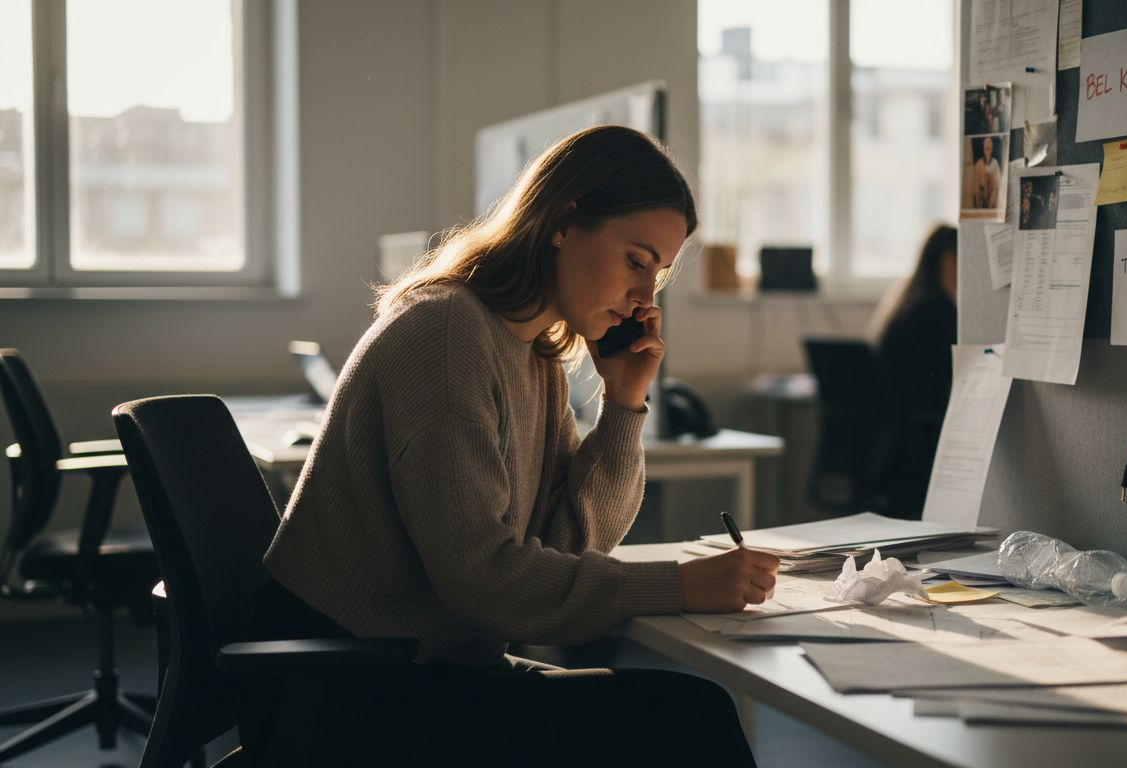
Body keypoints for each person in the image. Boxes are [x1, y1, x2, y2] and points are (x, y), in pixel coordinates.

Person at [258, 125, 771, 764]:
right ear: (564, 222)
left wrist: (624, 405)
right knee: (688, 723)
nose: (645, 296)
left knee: (689, 715)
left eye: (659, 274)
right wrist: (680, 585)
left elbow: (564, 546)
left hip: (432, 669)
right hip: (356, 691)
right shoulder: (447, 332)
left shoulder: (531, 355)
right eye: (635, 260)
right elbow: (488, 583)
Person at [871, 225, 957, 519]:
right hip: (918, 443)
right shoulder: (938, 309)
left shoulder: (906, 302)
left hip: (894, 440)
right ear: (948, 260)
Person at [973, 136, 1001, 210]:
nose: (988, 150)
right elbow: (976, 185)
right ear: (983, 149)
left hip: (992, 199)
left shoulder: (995, 163)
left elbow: (998, 184)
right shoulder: (979, 164)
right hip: (981, 198)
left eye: (989, 148)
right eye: (986, 148)